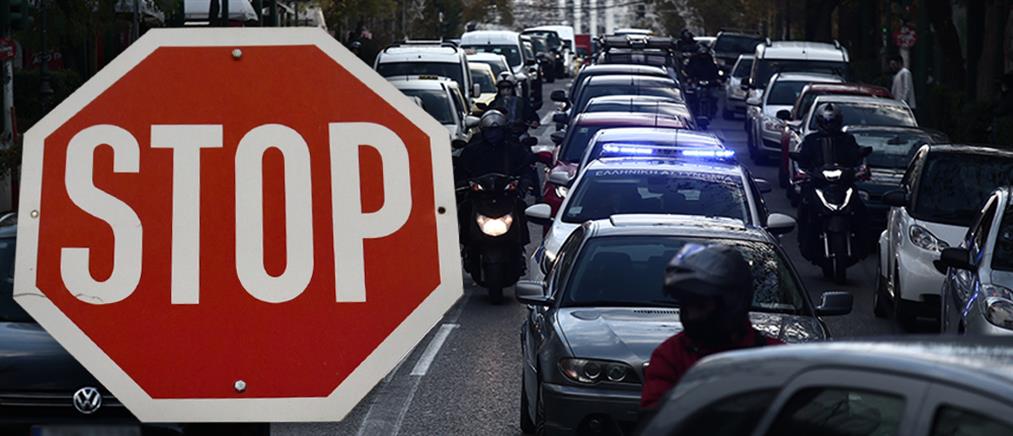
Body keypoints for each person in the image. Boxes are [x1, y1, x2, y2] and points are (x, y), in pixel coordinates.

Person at [640, 244, 782, 411]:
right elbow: (656, 418)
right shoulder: (671, 355)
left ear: (731, 304)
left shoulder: (776, 358)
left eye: (700, 306)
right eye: (686, 305)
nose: (691, 316)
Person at [794, 103, 869, 260]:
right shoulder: (811, 140)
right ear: (820, 122)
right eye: (827, 122)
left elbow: (855, 156)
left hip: (843, 184)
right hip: (818, 183)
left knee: (861, 210)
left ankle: (863, 244)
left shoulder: (847, 140)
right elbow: (803, 159)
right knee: (804, 206)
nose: (830, 126)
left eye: (833, 122)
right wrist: (804, 171)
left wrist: (859, 168)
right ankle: (806, 241)